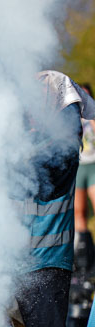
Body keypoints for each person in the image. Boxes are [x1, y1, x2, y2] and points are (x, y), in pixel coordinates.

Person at [6, 71, 93, 327]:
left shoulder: (62, 149)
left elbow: (37, 175)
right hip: (11, 267)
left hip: (45, 265)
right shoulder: (19, 140)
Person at [73, 82, 95, 277]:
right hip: (79, 167)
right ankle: (85, 263)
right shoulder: (72, 116)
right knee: (79, 213)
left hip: (93, 165)